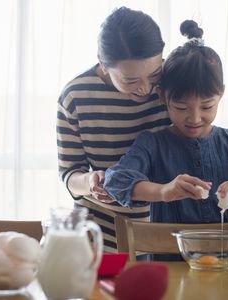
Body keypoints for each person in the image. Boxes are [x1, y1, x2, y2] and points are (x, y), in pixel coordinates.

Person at [103, 20, 228, 260]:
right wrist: (165, 191)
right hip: (172, 276)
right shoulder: (152, 144)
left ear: (221, 95)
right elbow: (116, 180)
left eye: (207, 106)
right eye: (180, 107)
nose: (195, 118)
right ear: (162, 98)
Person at [57, 7, 171, 253]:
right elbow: (69, 174)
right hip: (100, 239)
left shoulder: (174, 84)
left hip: (167, 234)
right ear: (103, 63)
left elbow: (201, 139)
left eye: (154, 74)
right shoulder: (75, 96)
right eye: (130, 80)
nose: (146, 88)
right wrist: (90, 181)